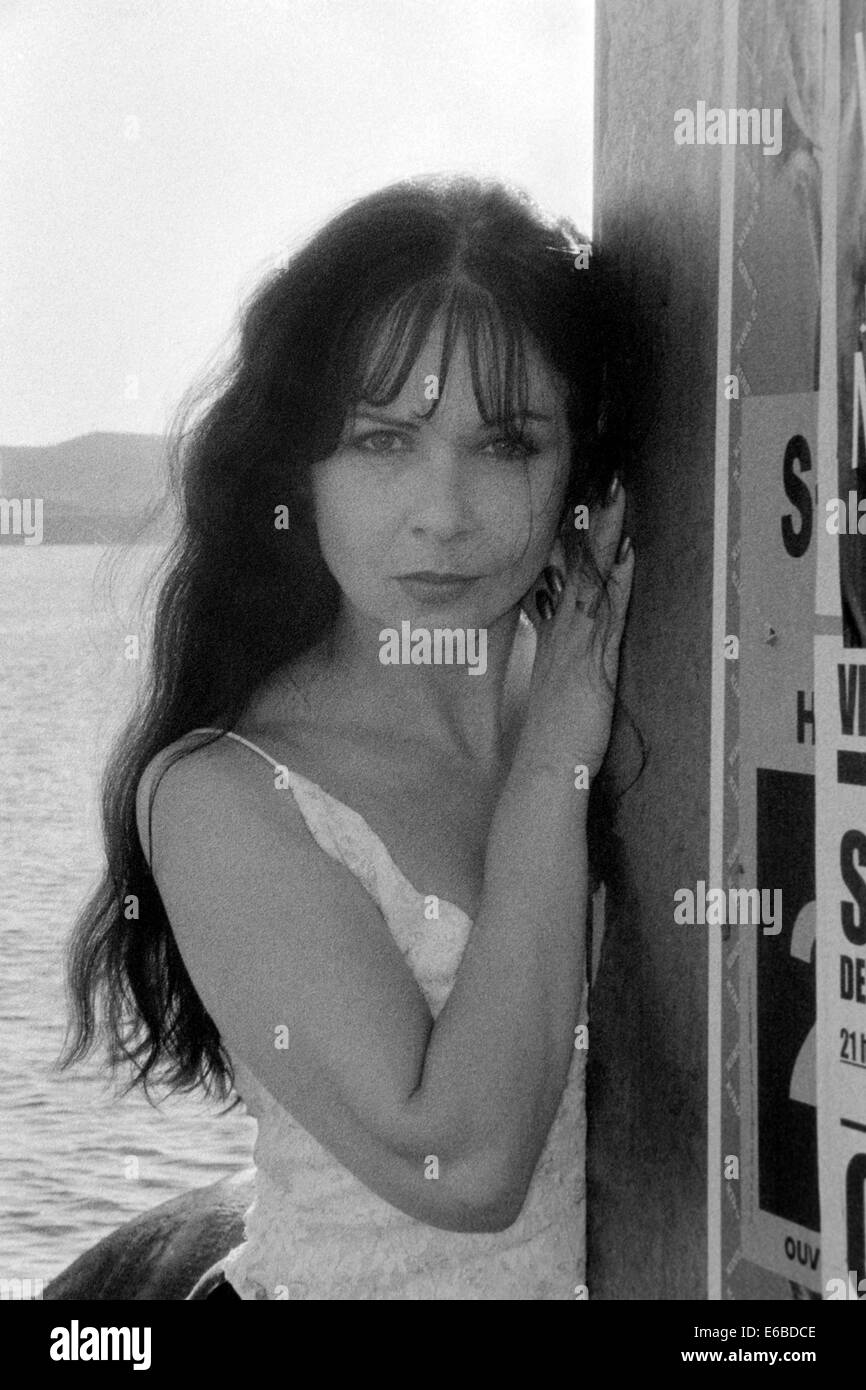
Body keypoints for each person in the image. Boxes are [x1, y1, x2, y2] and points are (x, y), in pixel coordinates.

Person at [61, 174, 634, 1299]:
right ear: (297, 470)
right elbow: (462, 1166)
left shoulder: (623, 680)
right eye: (382, 442)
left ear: (578, 464)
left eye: (507, 443)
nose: (443, 511)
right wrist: (553, 759)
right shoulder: (224, 795)